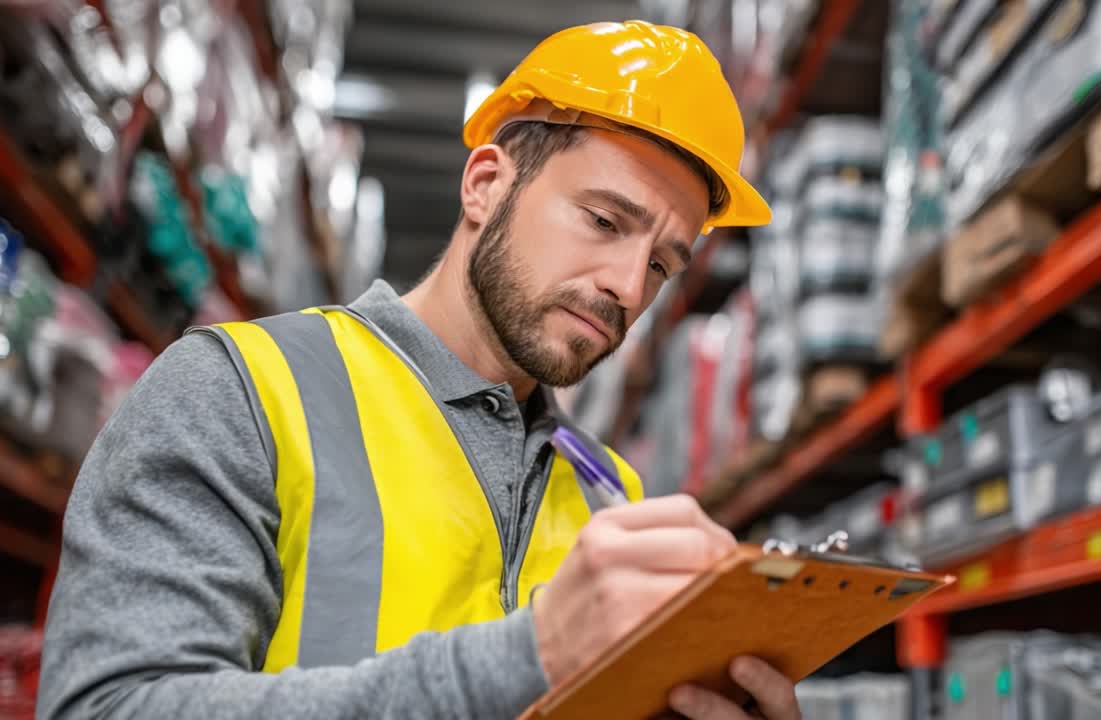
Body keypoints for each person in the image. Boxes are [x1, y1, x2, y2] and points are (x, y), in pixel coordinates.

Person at [38, 20, 798, 720]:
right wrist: (527, 658)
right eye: (604, 221)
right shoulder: (240, 392)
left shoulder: (614, 498)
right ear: (486, 184)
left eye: (662, 263)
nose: (628, 287)